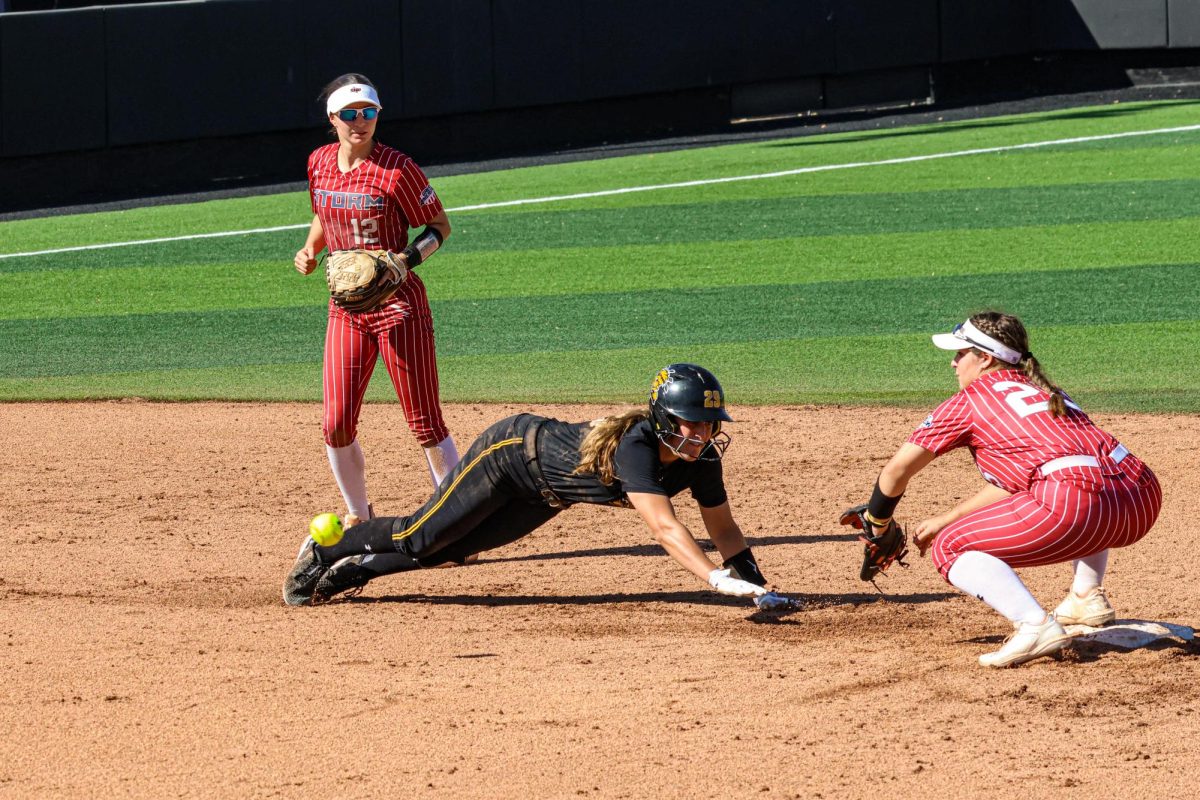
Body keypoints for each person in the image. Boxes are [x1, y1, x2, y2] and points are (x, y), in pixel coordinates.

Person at [283, 364, 794, 610]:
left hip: (542, 493)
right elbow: (664, 527)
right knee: (420, 535)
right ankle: (327, 547)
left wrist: (757, 586)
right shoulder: (638, 446)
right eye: (691, 423)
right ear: (662, 419)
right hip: (506, 454)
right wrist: (713, 578)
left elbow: (723, 527)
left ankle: (350, 575)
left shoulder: (700, 459)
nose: (702, 433)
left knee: (449, 551)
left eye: (708, 424)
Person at [862, 311, 1161, 667]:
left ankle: (1034, 625)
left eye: (961, 354)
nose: (953, 363)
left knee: (951, 548)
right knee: (1077, 478)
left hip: (1079, 506)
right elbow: (1031, 478)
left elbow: (897, 470)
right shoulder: (1049, 393)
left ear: (985, 358)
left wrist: (876, 522)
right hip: (1140, 499)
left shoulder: (969, 400)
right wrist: (947, 517)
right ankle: (1086, 595)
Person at [293, 73, 460, 544]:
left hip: (398, 307)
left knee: (424, 420)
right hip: (346, 310)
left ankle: (457, 522)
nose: (360, 122)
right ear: (333, 119)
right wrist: (309, 249)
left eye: (368, 112)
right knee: (336, 421)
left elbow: (440, 227)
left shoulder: (397, 170)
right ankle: (357, 515)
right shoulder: (320, 163)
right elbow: (323, 214)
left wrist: (404, 261)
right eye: (349, 114)